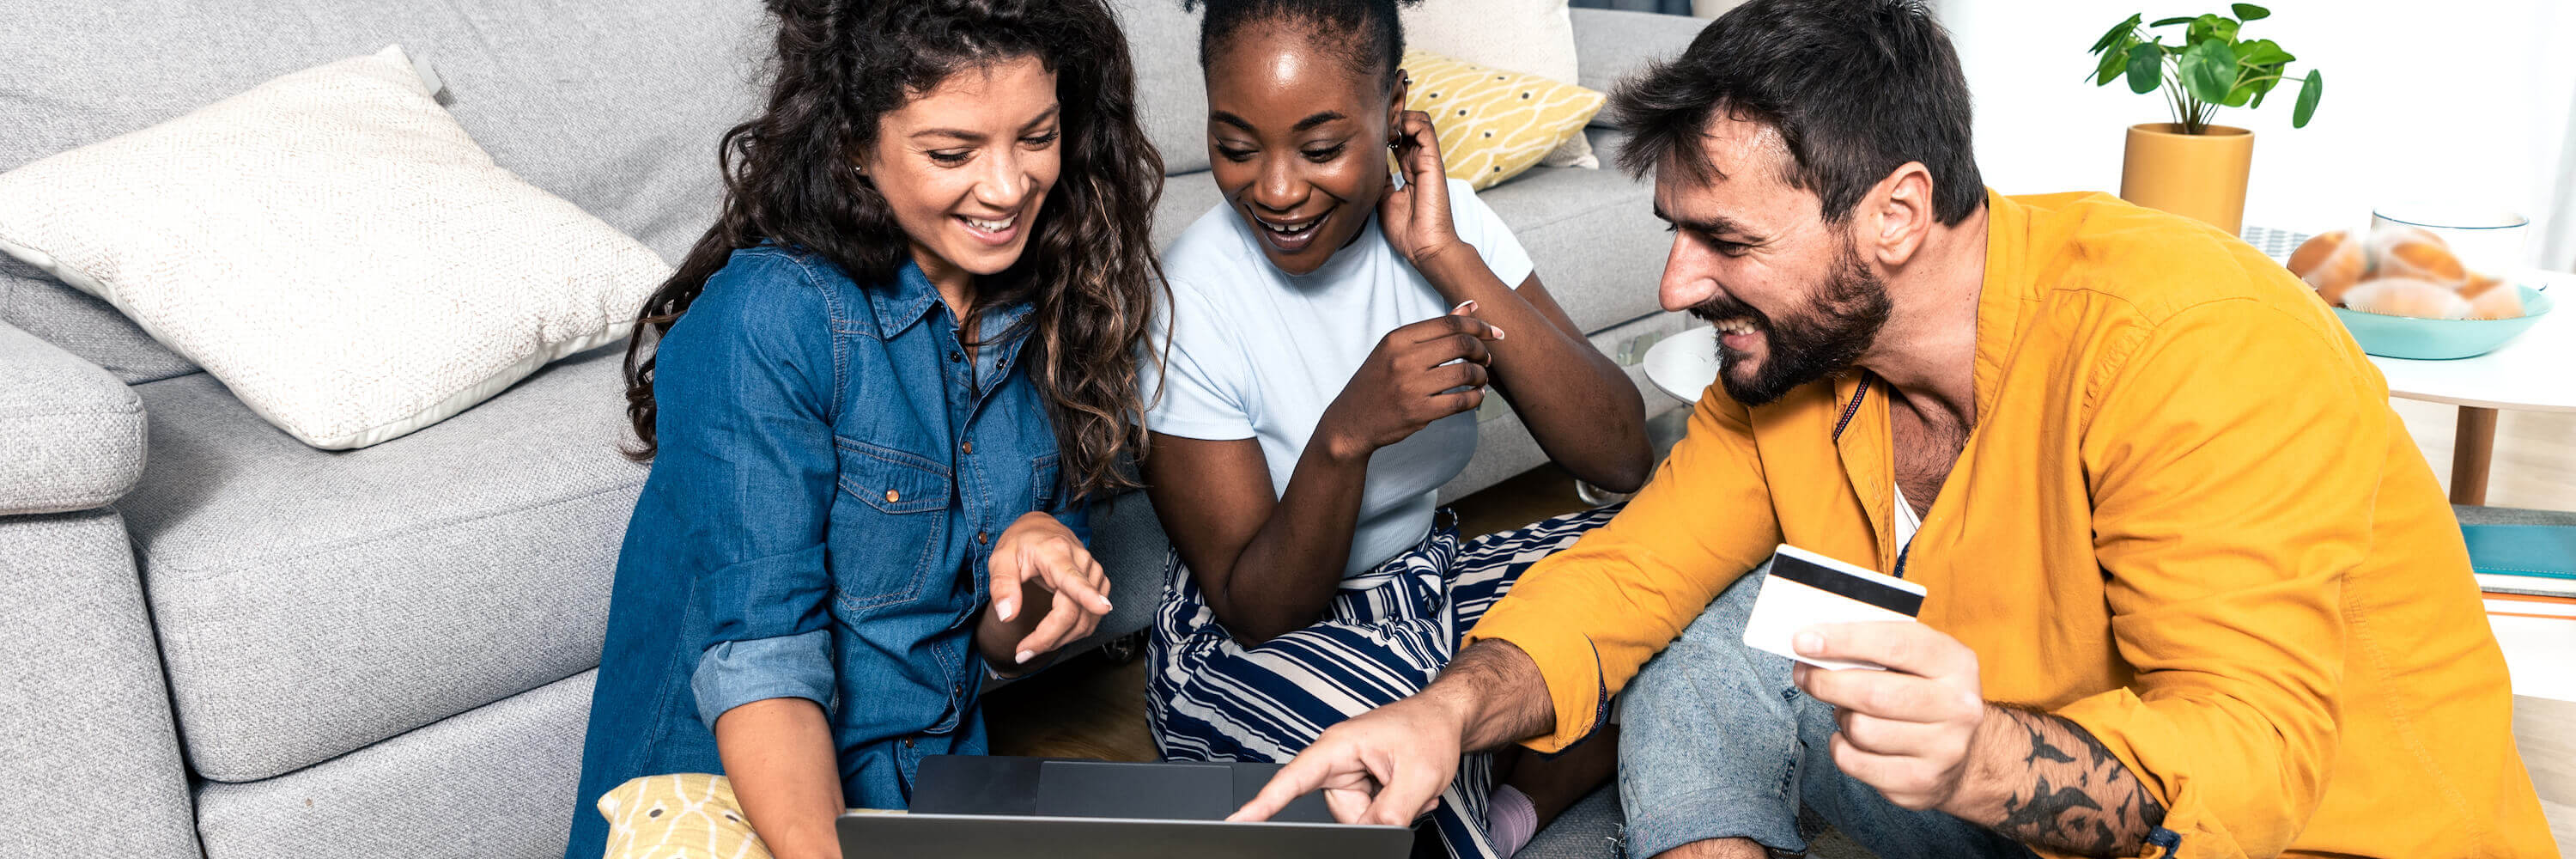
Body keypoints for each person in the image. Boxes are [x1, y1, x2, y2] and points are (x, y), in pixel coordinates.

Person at [1230, 1, 2558, 857]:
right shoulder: (1795, 371)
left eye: (1725, 239)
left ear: (1896, 216)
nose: (1680, 286)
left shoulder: (2192, 346)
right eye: (1676, 233)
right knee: (1705, 639)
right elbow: (1633, 576)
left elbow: (2252, 764)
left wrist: (1982, 755)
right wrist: (1446, 714)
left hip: (2293, 833)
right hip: (2006, 786)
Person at [562, 2, 1167, 858]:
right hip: (734, 815)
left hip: (931, 799)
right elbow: (763, 667)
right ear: (853, 144)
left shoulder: (1049, 310)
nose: (1007, 187)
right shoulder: (771, 318)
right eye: (951, 152)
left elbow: (998, 641)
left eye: (1036, 136)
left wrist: (1034, 562)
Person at [1136, 1, 1654, 856]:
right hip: (1252, 640)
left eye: (1322, 146)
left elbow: (1622, 452)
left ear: (1394, 110)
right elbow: (1259, 607)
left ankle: (1509, 810)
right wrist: (1347, 434)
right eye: (1236, 147)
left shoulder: (1440, 223)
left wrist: (1446, 254)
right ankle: (1488, 775)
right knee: (1375, 768)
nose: (1274, 188)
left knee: (1671, 573)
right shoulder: (1189, 297)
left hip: (1428, 583)